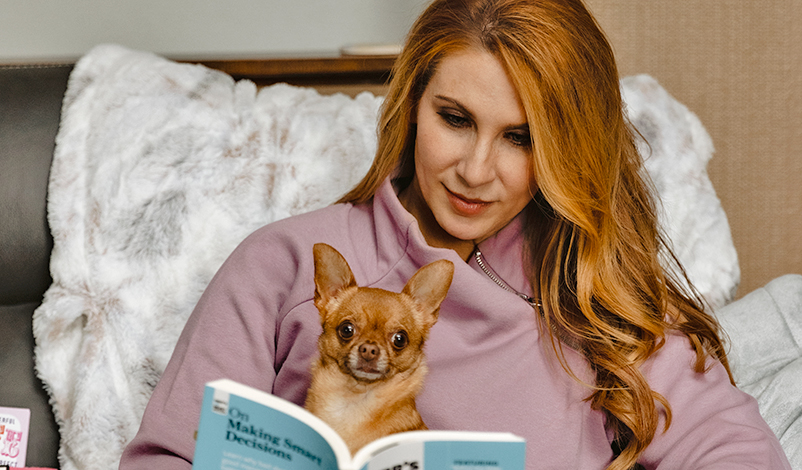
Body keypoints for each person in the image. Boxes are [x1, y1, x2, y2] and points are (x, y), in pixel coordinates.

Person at [119, 0, 791, 469]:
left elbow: (734, 449)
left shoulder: (590, 288)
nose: (475, 172)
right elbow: (166, 459)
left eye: (520, 139)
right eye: (456, 118)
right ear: (412, 106)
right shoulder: (282, 263)